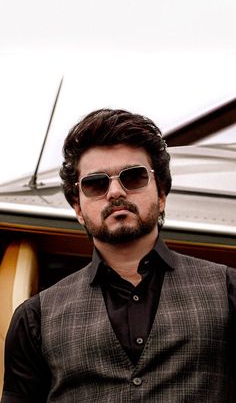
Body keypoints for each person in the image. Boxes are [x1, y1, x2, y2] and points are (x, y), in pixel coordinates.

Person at [1, 108, 236, 402]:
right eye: (96, 183)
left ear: (161, 195)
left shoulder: (228, 291)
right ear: (78, 209)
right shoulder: (34, 319)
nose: (115, 192)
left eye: (133, 177)